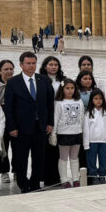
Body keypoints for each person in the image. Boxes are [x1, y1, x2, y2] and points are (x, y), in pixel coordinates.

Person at [3, 51, 53, 193]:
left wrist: (50, 122)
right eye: (28, 63)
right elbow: (9, 107)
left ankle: (35, 183)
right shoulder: (13, 82)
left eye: (33, 63)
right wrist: (11, 126)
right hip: (21, 128)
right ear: (21, 65)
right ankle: (23, 184)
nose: (31, 66)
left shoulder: (43, 80)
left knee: (39, 157)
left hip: (40, 126)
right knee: (21, 158)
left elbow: (49, 103)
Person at [38, 55, 66, 186]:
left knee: (58, 148)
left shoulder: (63, 80)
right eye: (51, 65)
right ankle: (46, 176)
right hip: (46, 117)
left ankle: (57, 177)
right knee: (47, 148)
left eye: (56, 65)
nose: (53, 67)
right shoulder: (39, 80)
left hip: (61, 117)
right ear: (45, 66)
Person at [53, 80, 85, 187]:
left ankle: (75, 178)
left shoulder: (79, 101)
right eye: (67, 88)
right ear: (62, 89)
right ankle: (64, 179)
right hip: (64, 133)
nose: (70, 90)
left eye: (72, 88)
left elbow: (81, 117)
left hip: (77, 133)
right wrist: (53, 133)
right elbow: (56, 118)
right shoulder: (59, 103)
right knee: (63, 158)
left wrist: (82, 131)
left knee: (74, 157)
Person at [0, 59, 15, 184]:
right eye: (6, 69)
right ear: (0, 71)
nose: (9, 71)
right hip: (0, 121)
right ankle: (4, 171)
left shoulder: (17, 83)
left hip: (15, 120)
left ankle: (17, 170)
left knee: (17, 147)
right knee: (2, 146)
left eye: (11, 69)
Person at [82, 89, 106, 183]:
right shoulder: (88, 113)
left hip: (103, 141)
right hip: (92, 141)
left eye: (100, 98)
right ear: (91, 100)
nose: (98, 101)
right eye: (96, 98)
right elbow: (86, 129)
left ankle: (102, 175)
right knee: (91, 159)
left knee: (103, 159)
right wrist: (86, 143)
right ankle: (93, 175)